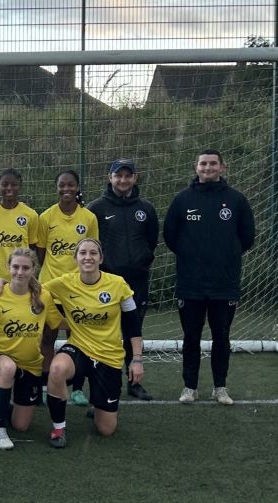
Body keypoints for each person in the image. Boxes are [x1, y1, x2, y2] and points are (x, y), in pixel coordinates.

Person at [163, 149, 255, 406]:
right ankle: (189, 387)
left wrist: (226, 257)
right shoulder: (182, 200)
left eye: (213, 163)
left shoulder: (236, 200)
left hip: (224, 283)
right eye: (203, 163)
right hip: (190, 283)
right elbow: (170, 235)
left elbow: (247, 236)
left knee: (221, 337)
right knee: (191, 337)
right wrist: (192, 257)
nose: (208, 168)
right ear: (196, 167)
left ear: (222, 168)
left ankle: (220, 387)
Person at [42, 238, 144, 448]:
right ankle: (59, 428)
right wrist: (2, 283)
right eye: (83, 253)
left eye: (93, 253)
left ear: (101, 258)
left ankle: (100, 405)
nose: (88, 257)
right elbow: (32, 288)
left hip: (109, 355)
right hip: (78, 347)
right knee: (57, 368)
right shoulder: (64, 282)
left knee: (106, 430)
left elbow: (133, 326)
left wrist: (137, 360)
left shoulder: (118, 284)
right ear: (75, 258)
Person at [87, 158, 159, 401]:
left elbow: (151, 241)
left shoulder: (146, 208)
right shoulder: (96, 209)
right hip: (106, 281)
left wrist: (141, 260)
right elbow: (90, 244)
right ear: (110, 178)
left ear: (135, 178)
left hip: (136, 281)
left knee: (133, 330)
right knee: (103, 333)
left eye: (128, 175)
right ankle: (101, 385)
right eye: (118, 175)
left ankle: (134, 383)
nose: (123, 180)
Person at [0, 248, 63, 450]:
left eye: (25, 267)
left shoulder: (44, 296)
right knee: (8, 369)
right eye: (15, 266)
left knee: (21, 425)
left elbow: (57, 323)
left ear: (34, 269)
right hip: (1, 358)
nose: (20, 272)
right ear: (8, 267)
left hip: (31, 364)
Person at [36, 169, 98, 406]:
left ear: (77, 187)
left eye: (71, 185)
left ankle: (78, 388)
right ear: (57, 187)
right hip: (51, 287)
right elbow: (41, 252)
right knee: (47, 337)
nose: (66, 190)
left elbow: (92, 251)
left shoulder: (88, 218)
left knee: (78, 338)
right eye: (62, 185)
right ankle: (44, 384)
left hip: (79, 289)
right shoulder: (46, 217)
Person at [0, 168, 39, 288]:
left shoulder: (30, 214)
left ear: (20, 187)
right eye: (5, 184)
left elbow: (32, 248)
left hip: (21, 277)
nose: (9, 188)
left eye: (14, 185)